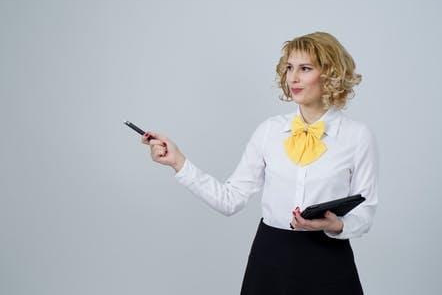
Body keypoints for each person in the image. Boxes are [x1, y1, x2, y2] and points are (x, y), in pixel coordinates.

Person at [141, 31, 379, 294]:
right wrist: (179, 162)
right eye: (289, 67)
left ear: (330, 74)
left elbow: (365, 210)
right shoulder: (269, 131)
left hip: (329, 259)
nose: (293, 77)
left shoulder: (357, 136)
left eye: (305, 68)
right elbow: (230, 200)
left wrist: (336, 225)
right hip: (272, 259)